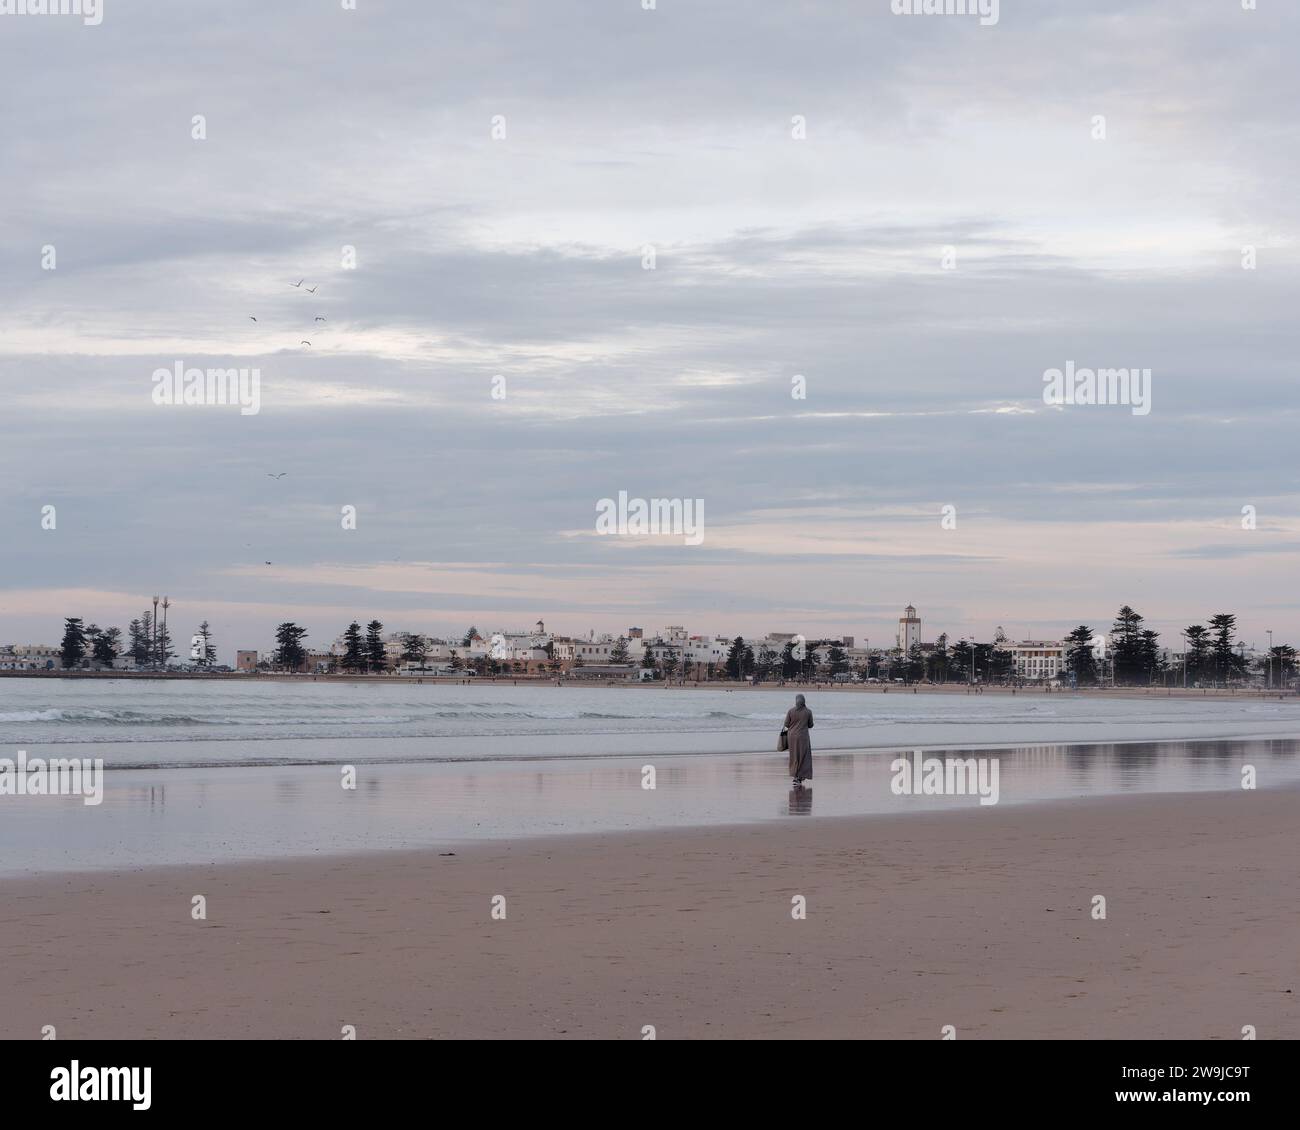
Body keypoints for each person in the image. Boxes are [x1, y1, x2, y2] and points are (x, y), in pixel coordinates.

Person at [784, 693, 814, 785]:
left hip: (791, 737)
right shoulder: (808, 711)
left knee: (794, 757)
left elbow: (786, 724)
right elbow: (810, 725)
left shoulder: (790, 711)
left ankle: (795, 776)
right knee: (803, 757)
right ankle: (800, 777)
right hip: (803, 737)